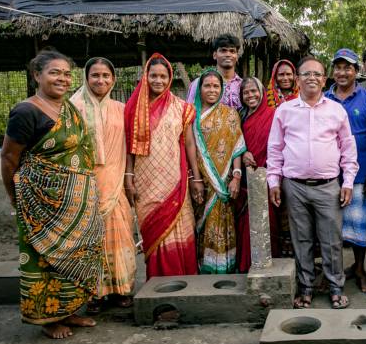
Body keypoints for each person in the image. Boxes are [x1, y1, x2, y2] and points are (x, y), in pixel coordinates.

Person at [1, 50, 102, 339]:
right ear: (37, 75)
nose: (62, 78)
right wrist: (16, 198)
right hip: (41, 201)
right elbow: (9, 158)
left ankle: (69, 312)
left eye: (67, 73)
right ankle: (48, 319)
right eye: (54, 72)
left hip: (75, 202)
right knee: (44, 258)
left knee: (73, 255)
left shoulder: (69, 109)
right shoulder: (26, 111)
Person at [267, 56, 358, 309]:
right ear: (297, 79)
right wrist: (274, 181)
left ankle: (335, 288)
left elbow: (348, 149)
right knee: (301, 239)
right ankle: (305, 288)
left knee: (331, 240)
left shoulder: (336, 110)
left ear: (324, 79)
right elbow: (275, 149)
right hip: (294, 186)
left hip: (328, 186)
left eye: (317, 74)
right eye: (307, 74)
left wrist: (347, 182)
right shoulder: (284, 111)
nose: (312, 78)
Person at [124, 53, 204, 279]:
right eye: (153, 76)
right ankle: (157, 286)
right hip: (145, 179)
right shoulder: (133, 108)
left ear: (170, 78)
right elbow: (129, 144)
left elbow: (189, 143)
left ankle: (183, 282)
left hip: (175, 180)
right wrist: (128, 175)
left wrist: (195, 178)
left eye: (163, 76)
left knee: (180, 227)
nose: (158, 80)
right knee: (153, 229)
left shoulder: (182, 108)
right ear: (146, 77)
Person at [69, 57, 136, 314]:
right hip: (85, 183)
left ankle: (121, 289)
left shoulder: (121, 108)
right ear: (86, 78)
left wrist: (129, 175)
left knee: (121, 233)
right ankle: (93, 293)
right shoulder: (71, 108)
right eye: (95, 75)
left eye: (106, 76)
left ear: (113, 79)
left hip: (117, 180)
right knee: (88, 239)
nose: (101, 80)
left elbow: (130, 146)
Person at [325, 48, 366, 292]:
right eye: (338, 67)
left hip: (360, 173)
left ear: (356, 72)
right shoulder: (324, 98)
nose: (342, 72)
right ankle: (332, 272)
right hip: (328, 173)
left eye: (348, 67)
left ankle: (359, 269)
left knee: (359, 224)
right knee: (329, 225)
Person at [192, 69, 246, 273]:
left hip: (224, 181)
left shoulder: (230, 114)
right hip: (201, 181)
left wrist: (237, 176)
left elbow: (237, 147)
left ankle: (224, 266)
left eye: (216, 86)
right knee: (201, 223)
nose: (212, 90)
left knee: (224, 221)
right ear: (200, 88)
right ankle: (203, 266)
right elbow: (188, 147)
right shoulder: (191, 114)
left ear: (222, 89)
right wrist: (194, 178)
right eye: (207, 85)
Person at [239, 77, 286, 258]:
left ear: (261, 92)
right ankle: (247, 262)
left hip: (268, 176)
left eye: (254, 91)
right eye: (246, 92)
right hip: (247, 177)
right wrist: (243, 153)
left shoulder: (273, 114)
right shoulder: (240, 116)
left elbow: (280, 145)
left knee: (268, 220)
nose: (250, 95)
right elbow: (235, 143)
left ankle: (268, 260)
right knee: (246, 221)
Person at [187, 34, 243, 109]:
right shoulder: (199, 83)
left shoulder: (243, 85)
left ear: (237, 57)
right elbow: (189, 112)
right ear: (214, 55)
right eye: (223, 50)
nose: (228, 54)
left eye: (232, 51)